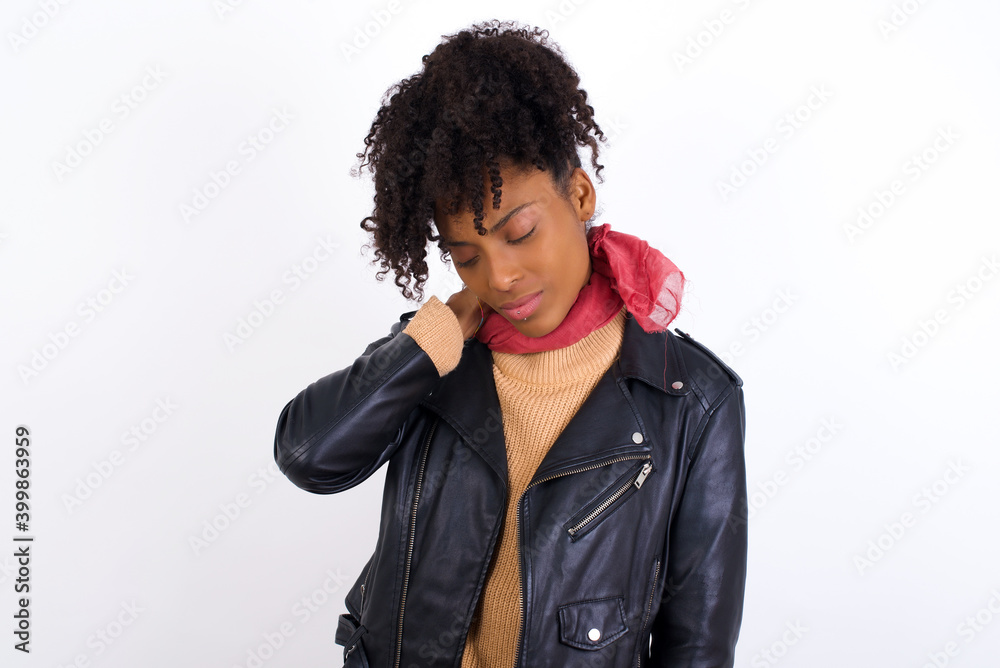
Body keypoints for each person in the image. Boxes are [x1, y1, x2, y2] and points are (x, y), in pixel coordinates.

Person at [273, 19, 747, 668]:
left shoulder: (692, 401)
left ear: (579, 194)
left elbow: (696, 646)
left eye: (519, 233)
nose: (498, 277)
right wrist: (425, 344)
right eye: (466, 256)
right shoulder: (438, 355)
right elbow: (308, 456)